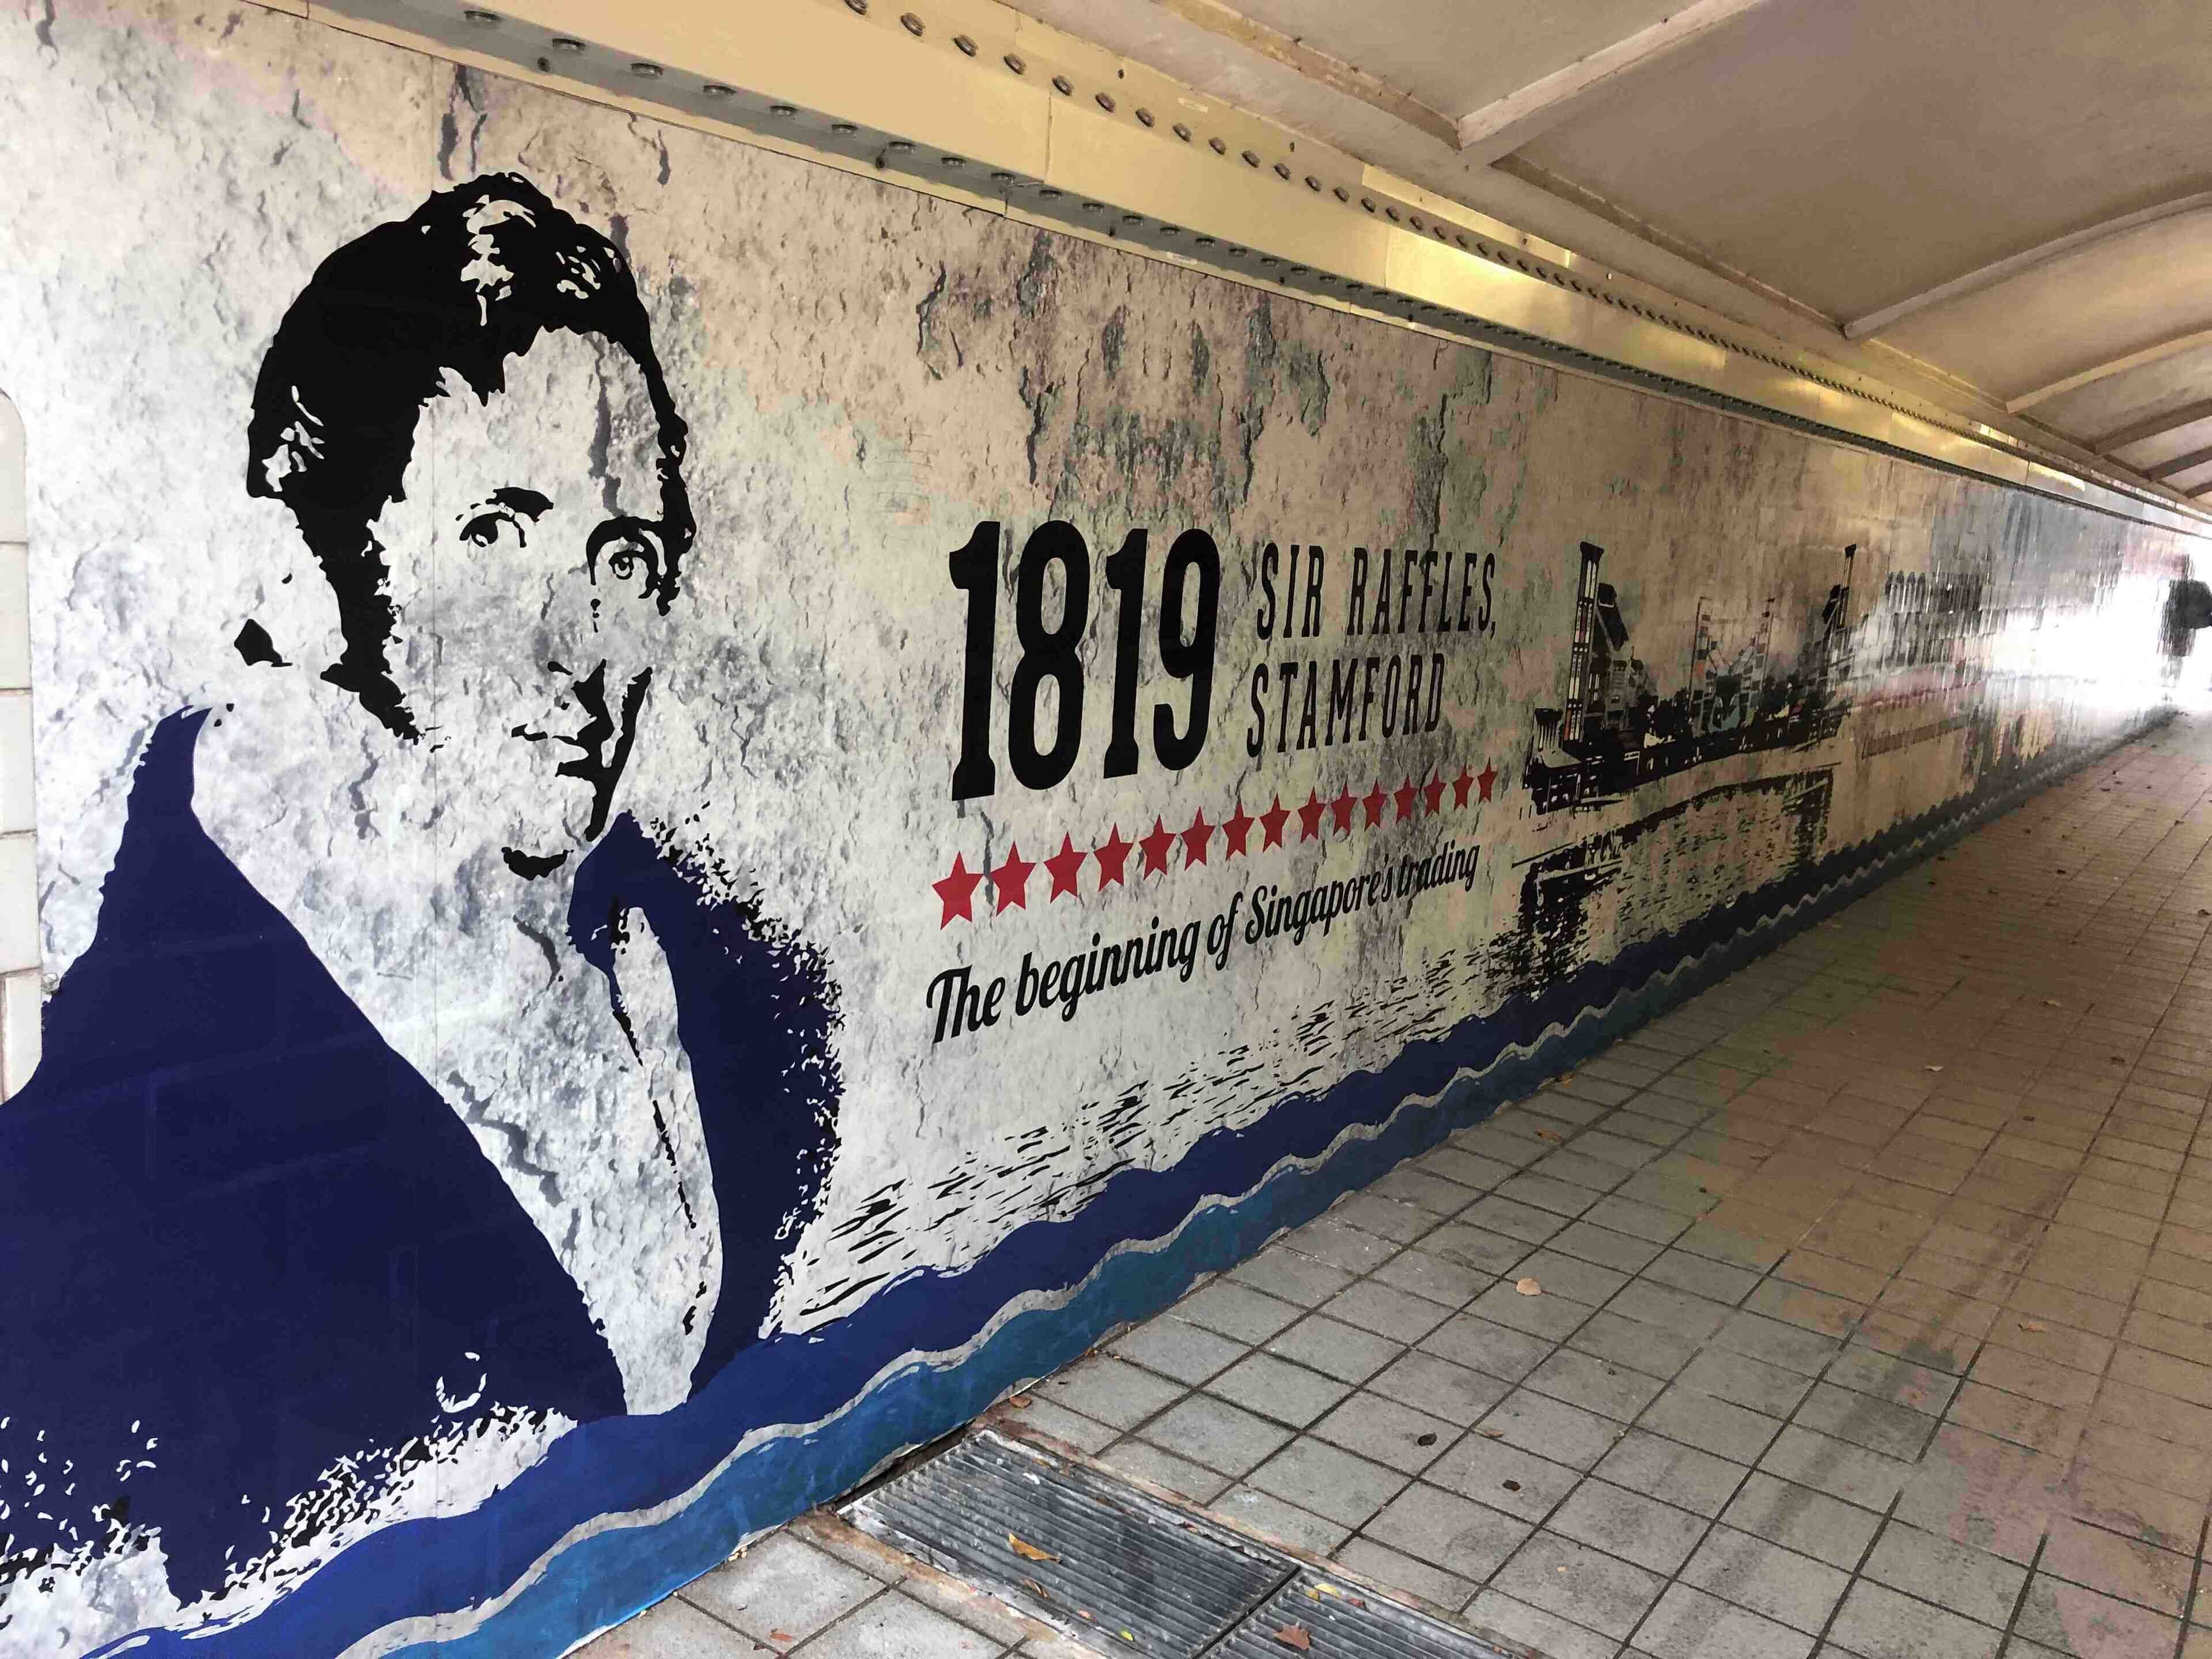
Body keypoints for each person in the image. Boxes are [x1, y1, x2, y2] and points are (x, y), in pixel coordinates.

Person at [0, 175, 842, 1606]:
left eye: (623, 559)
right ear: (323, 573)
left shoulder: (721, 968)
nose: (579, 638)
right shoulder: (101, 1163)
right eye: (498, 536)